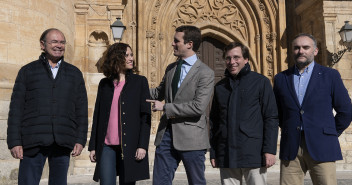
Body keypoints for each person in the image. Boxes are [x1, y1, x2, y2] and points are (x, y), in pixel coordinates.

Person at [7, 28, 88, 185]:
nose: (59, 45)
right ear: (42, 45)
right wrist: (14, 141)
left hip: (62, 140)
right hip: (33, 140)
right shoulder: (27, 71)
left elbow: (81, 110)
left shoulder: (75, 74)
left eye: (62, 42)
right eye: (54, 41)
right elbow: (16, 109)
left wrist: (80, 139)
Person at [273, 33, 352, 185]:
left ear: (315, 51)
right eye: (296, 48)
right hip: (292, 147)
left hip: (322, 144)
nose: (300, 51)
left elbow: (346, 110)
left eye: (305, 47)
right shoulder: (281, 78)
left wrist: (330, 132)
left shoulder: (330, 75)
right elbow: (278, 112)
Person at [147, 25, 214, 185]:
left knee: (196, 182)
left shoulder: (205, 73)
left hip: (192, 138)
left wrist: (165, 107)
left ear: (189, 44)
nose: (172, 44)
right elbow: (158, 93)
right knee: (160, 182)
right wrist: (132, 86)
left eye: (176, 41)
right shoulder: (171, 68)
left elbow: (198, 107)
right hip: (166, 135)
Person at [209, 42, 279, 185]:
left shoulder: (260, 82)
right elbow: (214, 122)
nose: (232, 62)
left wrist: (270, 150)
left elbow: (271, 117)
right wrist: (214, 152)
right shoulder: (220, 87)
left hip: (253, 151)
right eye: (228, 58)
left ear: (246, 59)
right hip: (226, 152)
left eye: (236, 57)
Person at [88, 43, 151, 185]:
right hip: (106, 146)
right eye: (126, 55)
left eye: (131, 55)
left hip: (130, 145)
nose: (131, 58)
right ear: (116, 58)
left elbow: (145, 116)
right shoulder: (104, 84)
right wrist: (93, 146)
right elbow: (97, 116)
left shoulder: (140, 82)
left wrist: (143, 145)